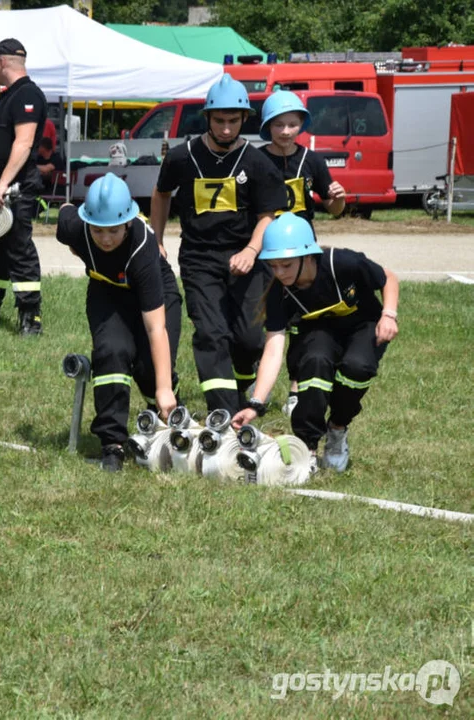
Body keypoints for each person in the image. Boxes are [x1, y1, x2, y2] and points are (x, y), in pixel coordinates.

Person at [151, 74, 287, 413]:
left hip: (248, 257)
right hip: (199, 258)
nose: (226, 128)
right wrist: (157, 240)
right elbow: (161, 192)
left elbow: (268, 214)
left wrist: (251, 250)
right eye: (219, 120)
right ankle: (224, 413)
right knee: (212, 334)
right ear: (208, 118)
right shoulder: (182, 157)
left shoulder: (258, 163)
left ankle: (242, 384)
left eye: (233, 121)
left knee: (250, 338)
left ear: (244, 120)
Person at [231, 213, 398, 473]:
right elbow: (273, 349)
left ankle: (337, 430)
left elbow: (387, 278)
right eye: (273, 266)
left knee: (357, 367)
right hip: (319, 332)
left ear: (308, 255)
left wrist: (388, 315)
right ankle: (306, 447)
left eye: (286, 265)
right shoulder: (280, 291)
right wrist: (256, 403)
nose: (279, 272)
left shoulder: (340, 262)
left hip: (363, 325)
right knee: (314, 362)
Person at [57, 174, 181, 472]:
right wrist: (86, 255)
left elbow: (156, 329)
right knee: (111, 351)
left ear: (129, 221)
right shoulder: (76, 228)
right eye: (98, 231)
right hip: (107, 291)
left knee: (150, 369)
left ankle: (163, 409)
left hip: (153, 292)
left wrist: (163, 388)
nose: (106, 239)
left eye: (114, 230)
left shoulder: (143, 250)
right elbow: (64, 213)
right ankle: (112, 443)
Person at [258, 90, 348, 417]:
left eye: (292, 124)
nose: (285, 131)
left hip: (303, 253)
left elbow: (335, 208)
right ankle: (257, 384)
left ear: (302, 126)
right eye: (278, 124)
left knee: (300, 320)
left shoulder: (313, 161)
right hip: (265, 252)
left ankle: (296, 385)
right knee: (263, 320)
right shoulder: (256, 160)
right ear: (267, 126)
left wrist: (337, 196)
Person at [0, 39, 46, 335]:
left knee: (19, 250)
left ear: (2, 61)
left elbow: (24, 142)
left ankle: (30, 317)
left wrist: (2, 184)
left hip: (15, 190)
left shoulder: (28, 95)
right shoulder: (7, 95)